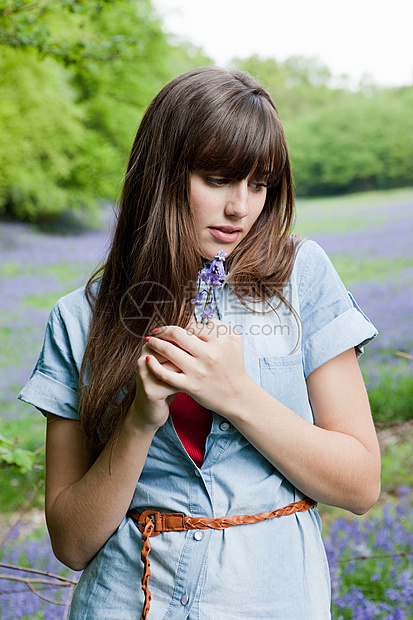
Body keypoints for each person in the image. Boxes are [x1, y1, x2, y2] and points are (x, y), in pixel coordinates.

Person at [18, 66, 381, 619]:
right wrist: (140, 419)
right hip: (125, 600)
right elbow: (70, 543)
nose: (241, 208)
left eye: (259, 185)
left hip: (269, 600)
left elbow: (359, 484)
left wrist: (235, 393)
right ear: (162, 176)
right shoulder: (79, 319)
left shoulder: (300, 277)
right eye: (217, 179)